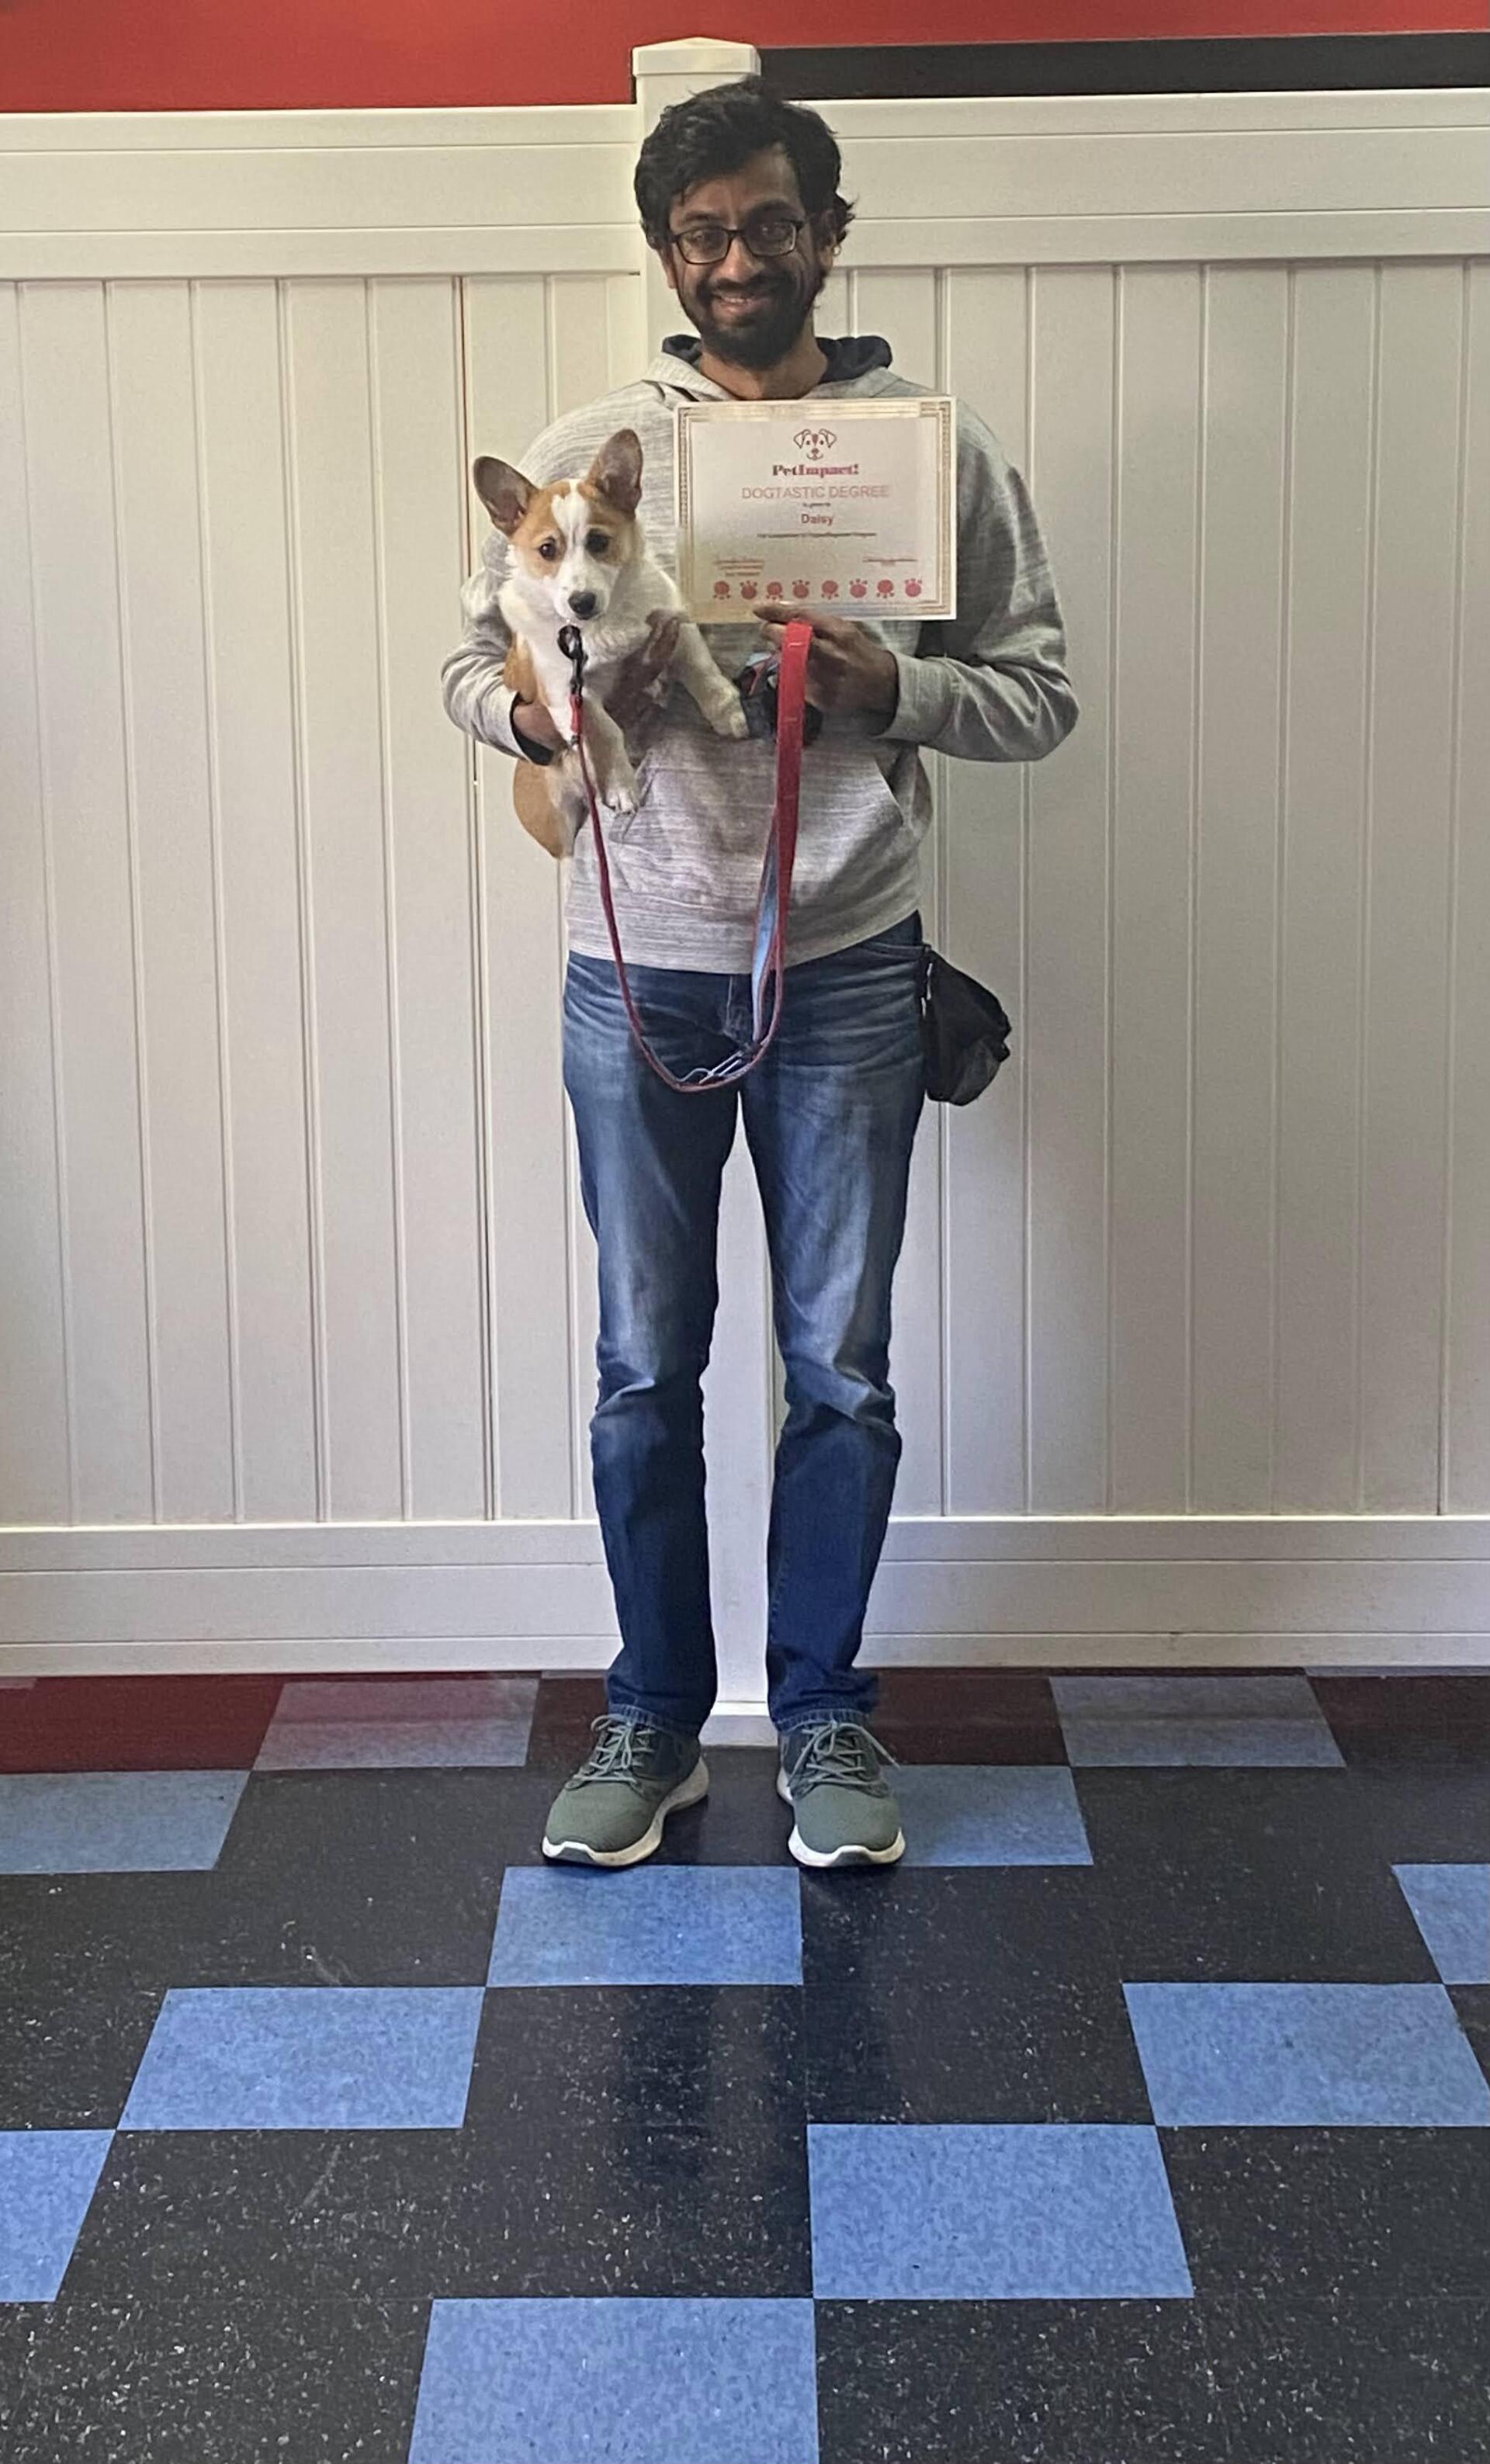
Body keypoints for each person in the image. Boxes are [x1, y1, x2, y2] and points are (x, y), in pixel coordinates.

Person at [442, 75, 1078, 1872]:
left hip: (852, 966)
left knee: (841, 1367)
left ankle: (824, 1717)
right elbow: (461, 679)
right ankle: (655, 1712)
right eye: (703, 233)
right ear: (666, 252)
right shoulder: (590, 451)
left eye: (770, 223)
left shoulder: (931, 452)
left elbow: (1040, 693)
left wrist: (894, 689)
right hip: (633, 973)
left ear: (830, 234)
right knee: (646, 1365)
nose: (737, 258)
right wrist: (556, 724)